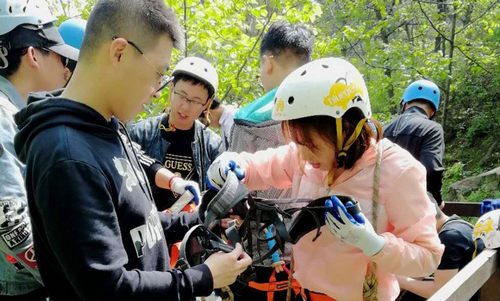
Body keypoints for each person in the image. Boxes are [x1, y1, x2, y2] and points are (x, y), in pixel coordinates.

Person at [13, 0, 251, 300]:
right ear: (120, 52)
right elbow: (108, 289)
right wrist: (203, 277)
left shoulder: (109, 127)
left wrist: (202, 216)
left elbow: (139, 225)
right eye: (158, 73)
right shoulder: (68, 155)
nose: (155, 91)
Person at [207, 57, 444, 300]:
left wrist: (374, 244)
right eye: (297, 143)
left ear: (348, 129)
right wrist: (234, 164)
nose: (304, 155)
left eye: (311, 144)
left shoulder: (398, 171)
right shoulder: (304, 156)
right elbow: (263, 166)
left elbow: (428, 257)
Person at [0, 0, 79, 298]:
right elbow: (13, 227)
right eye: (59, 56)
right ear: (33, 54)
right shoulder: (2, 118)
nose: (66, 69)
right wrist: (76, 281)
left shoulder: (18, 114)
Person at [129, 56, 223, 211]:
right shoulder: (141, 133)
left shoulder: (212, 145)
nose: (185, 107)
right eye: (182, 95)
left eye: (195, 101)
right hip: (147, 226)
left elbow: (217, 196)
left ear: (207, 103)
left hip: (191, 229)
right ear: (171, 89)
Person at [397, 196, 483, 300]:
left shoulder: (450, 238)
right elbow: (425, 270)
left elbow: (440, 291)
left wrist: (400, 280)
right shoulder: (457, 225)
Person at [384, 79, 445, 207]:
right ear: (432, 111)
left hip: (382, 204)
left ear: (405, 104)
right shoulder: (432, 129)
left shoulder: (384, 129)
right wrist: (437, 201)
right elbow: (432, 170)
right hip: (413, 206)